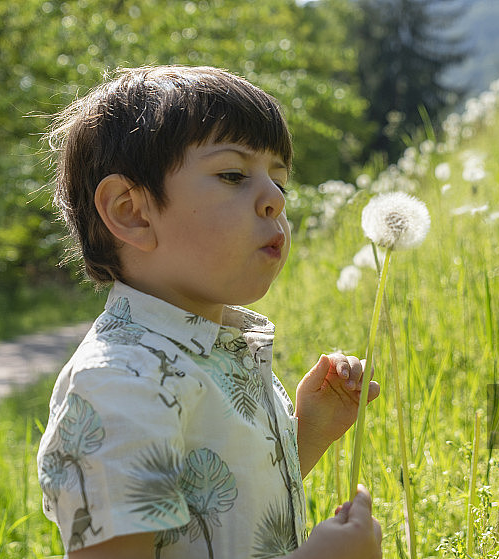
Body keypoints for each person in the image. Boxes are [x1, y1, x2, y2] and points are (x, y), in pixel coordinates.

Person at [36, 65, 382, 559]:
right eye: (233, 175)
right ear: (131, 211)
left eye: (279, 182)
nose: (274, 201)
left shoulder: (203, 350)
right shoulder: (119, 385)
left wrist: (308, 430)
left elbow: (219, 505)